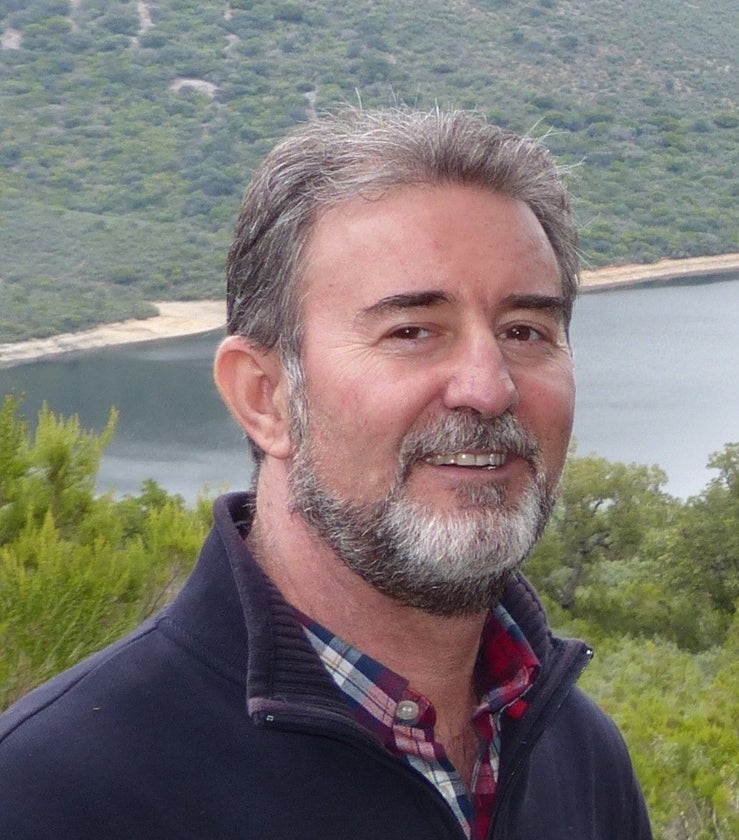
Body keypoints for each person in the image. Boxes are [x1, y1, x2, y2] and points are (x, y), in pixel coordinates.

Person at [0, 108, 653, 840]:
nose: (488, 385)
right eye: (412, 331)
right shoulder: (52, 796)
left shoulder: (581, 760)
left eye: (525, 331)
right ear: (265, 397)